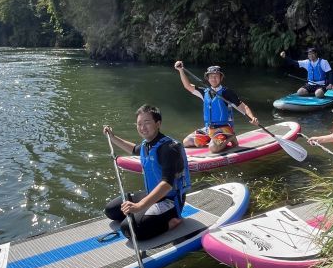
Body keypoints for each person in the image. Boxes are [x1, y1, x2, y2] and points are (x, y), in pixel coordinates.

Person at [103, 105, 191, 241]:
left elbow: (167, 184)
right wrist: (113, 138)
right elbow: (133, 149)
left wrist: (139, 206)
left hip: (169, 201)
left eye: (147, 123)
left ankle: (171, 222)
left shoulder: (169, 149)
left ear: (158, 124)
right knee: (111, 210)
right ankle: (146, 213)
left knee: (129, 229)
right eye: (139, 124)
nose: (142, 127)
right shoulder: (147, 144)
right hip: (151, 194)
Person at [173, 61, 259, 153]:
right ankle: (213, 140)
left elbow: (243, 107)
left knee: (213, 148)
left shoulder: (227, 93)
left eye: (216, 76)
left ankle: (231, 137)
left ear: (221, 78)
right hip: (209, 129)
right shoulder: (204, 92)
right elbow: (188, 86)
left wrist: (252, 117)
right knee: (186, 142)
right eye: (211, 76)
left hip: (224, 129)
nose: (213, 79)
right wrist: (181, 70)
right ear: (208, 78)